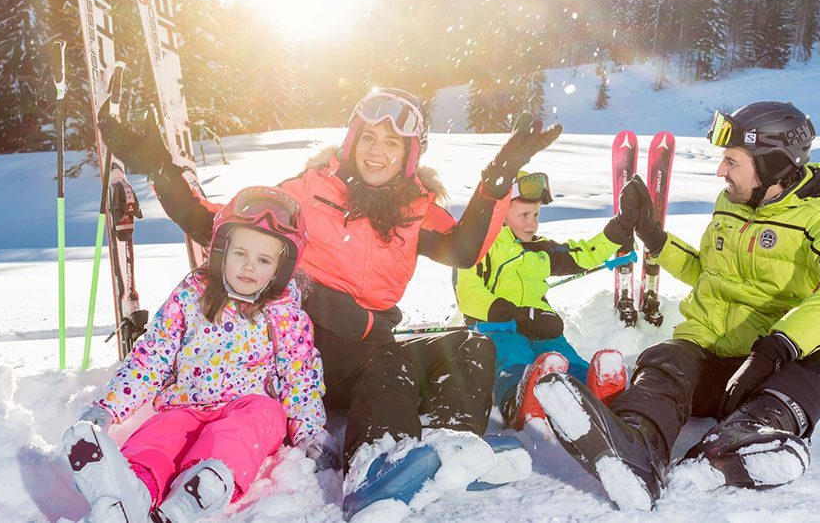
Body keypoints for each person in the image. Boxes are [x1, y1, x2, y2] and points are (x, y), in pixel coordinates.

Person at [97, 88, 562, 514]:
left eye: (392, 143)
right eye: (369, 137)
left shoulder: (414, 209)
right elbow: (216, 224)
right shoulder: (308, 190)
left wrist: (498, 179)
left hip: (367, 346)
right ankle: (378, 464)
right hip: (298, 349)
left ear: (409, 155)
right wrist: (159, 165)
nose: (376, 151)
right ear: (352, 140)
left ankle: (448, 448)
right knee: (387, 367)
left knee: (469, 345)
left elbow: (462, 249)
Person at [536, 101, 820, 510]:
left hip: (767, 374)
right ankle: (634, 445)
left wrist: (780, 345)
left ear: (772, 164)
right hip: (711, 358)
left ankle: (747, 435)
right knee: (666, 359)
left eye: (732, 161)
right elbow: (709, 272)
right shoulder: (731, 203)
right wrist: (653, 236)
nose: (721, 171)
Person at [62, 187, 336, 522]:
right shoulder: (191, 297)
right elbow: (152, 357)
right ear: (221, 251)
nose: (249, 267)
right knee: (161, 435)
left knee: (255, 420)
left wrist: (309, 432)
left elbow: (300, 377)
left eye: (263, 260)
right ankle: (131, 488)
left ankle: (204, 486)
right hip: (186, 404)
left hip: (248, 404)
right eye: (240, 254)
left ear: (281, 269)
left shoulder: (286, 315)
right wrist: (110, 406)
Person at [455, 170, 644, 430]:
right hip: (497, 327)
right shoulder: (480, 247)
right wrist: (514, 315)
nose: (532, 223)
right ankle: (518, 401)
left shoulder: (540, 248)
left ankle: (596, 392)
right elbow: (467, 293)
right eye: (524, 215)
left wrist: (619, 228)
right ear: (500, 213)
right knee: (514, 357)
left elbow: (582, 255)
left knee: (563, 356)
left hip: (540, 325)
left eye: (536, 215)